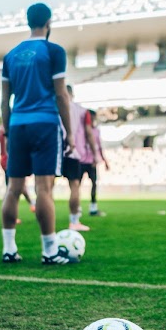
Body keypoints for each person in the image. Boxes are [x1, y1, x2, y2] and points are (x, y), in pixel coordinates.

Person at [0, 2, 74, 264]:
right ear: (49, 22)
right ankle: (50, 251)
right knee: (44, 189)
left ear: (28, 21)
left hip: (18, 125)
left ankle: (9, 249)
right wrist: (70, 133)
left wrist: (8, 134)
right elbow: (62, 95)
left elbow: (4, 101)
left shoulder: (11, 55)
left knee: (13, 188)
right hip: (45, 123)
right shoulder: (54, 51)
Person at [62, 85, 95, 231]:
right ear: (72, 94)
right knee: (74, 186)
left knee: (45, 186)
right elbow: (88, 132)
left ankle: (45, 219)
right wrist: (94, 152)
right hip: (72, 150)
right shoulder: (82, 111)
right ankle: (74, 221)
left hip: (54, 149)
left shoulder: (53, 105)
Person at [0, 123, 33, 224]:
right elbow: (8, 145)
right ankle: (11, 217)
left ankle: (32, 204)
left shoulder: (4, 128)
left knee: (17, 187)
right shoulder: (9, 128)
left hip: (6, 159)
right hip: (9, 159)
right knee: (13, 188)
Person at [85, 109, 109, 217]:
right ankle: (76, 211)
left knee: (94, 184)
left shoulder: (96, 131)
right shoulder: (80, 130)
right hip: (81, 160)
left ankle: (93, 208)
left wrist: (105, 161)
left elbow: (99, 147)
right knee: (75, 185)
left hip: (92, 161)